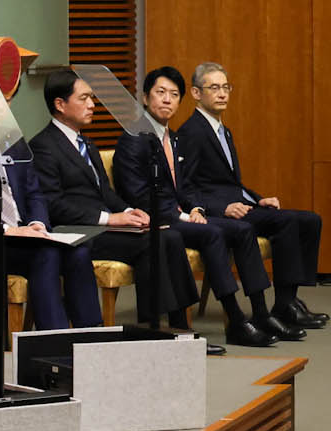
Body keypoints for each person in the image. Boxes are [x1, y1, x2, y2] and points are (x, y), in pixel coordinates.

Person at [29, 69, 215, 354]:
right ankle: (156, 333)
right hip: (77, 232)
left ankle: (179, 328)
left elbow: (105, 192)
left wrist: (131, 211)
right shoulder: (43, 146)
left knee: (169, 236)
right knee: (154, 242)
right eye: (85, 98)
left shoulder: (86, 143)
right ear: (60, 104)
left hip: (104, 227)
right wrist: (109, 218)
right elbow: (53, 205)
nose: (93, 104)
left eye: (92, 98)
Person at [117, 65, 293, 349]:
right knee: (213, 234)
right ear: (145, 97)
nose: (167, 100)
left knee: (242, 229)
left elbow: (186, 187)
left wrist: (196, 208)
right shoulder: (133, 140)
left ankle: (260, 313)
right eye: (160, 93)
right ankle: (235, 320)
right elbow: (138, 194)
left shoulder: (172, 138)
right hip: (157, 220)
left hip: (182, 216)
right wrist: (184, 215)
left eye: (174, 95)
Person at [172, 63, 328, 336]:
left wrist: (257, 199)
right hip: (222, 212)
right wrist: (221, 208)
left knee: (310, 220)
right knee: (287, 222)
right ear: (196, 93)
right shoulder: (192, 132)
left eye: (226, 87)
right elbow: (186, 186)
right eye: (214, 88)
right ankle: (283, 306)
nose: (222, 94)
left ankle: (288, 300)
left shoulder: (223, 129)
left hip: (241, 204)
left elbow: (231, 182)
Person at [0, 134, 99, 334]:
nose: (4, 104)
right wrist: (9, 229)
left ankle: (91, 337)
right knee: (46, 253)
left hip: (25, 235)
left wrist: (38, 223)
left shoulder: (13, 141)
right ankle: (55, 340)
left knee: (79, 253)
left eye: (9, 100)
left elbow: (34, 192)